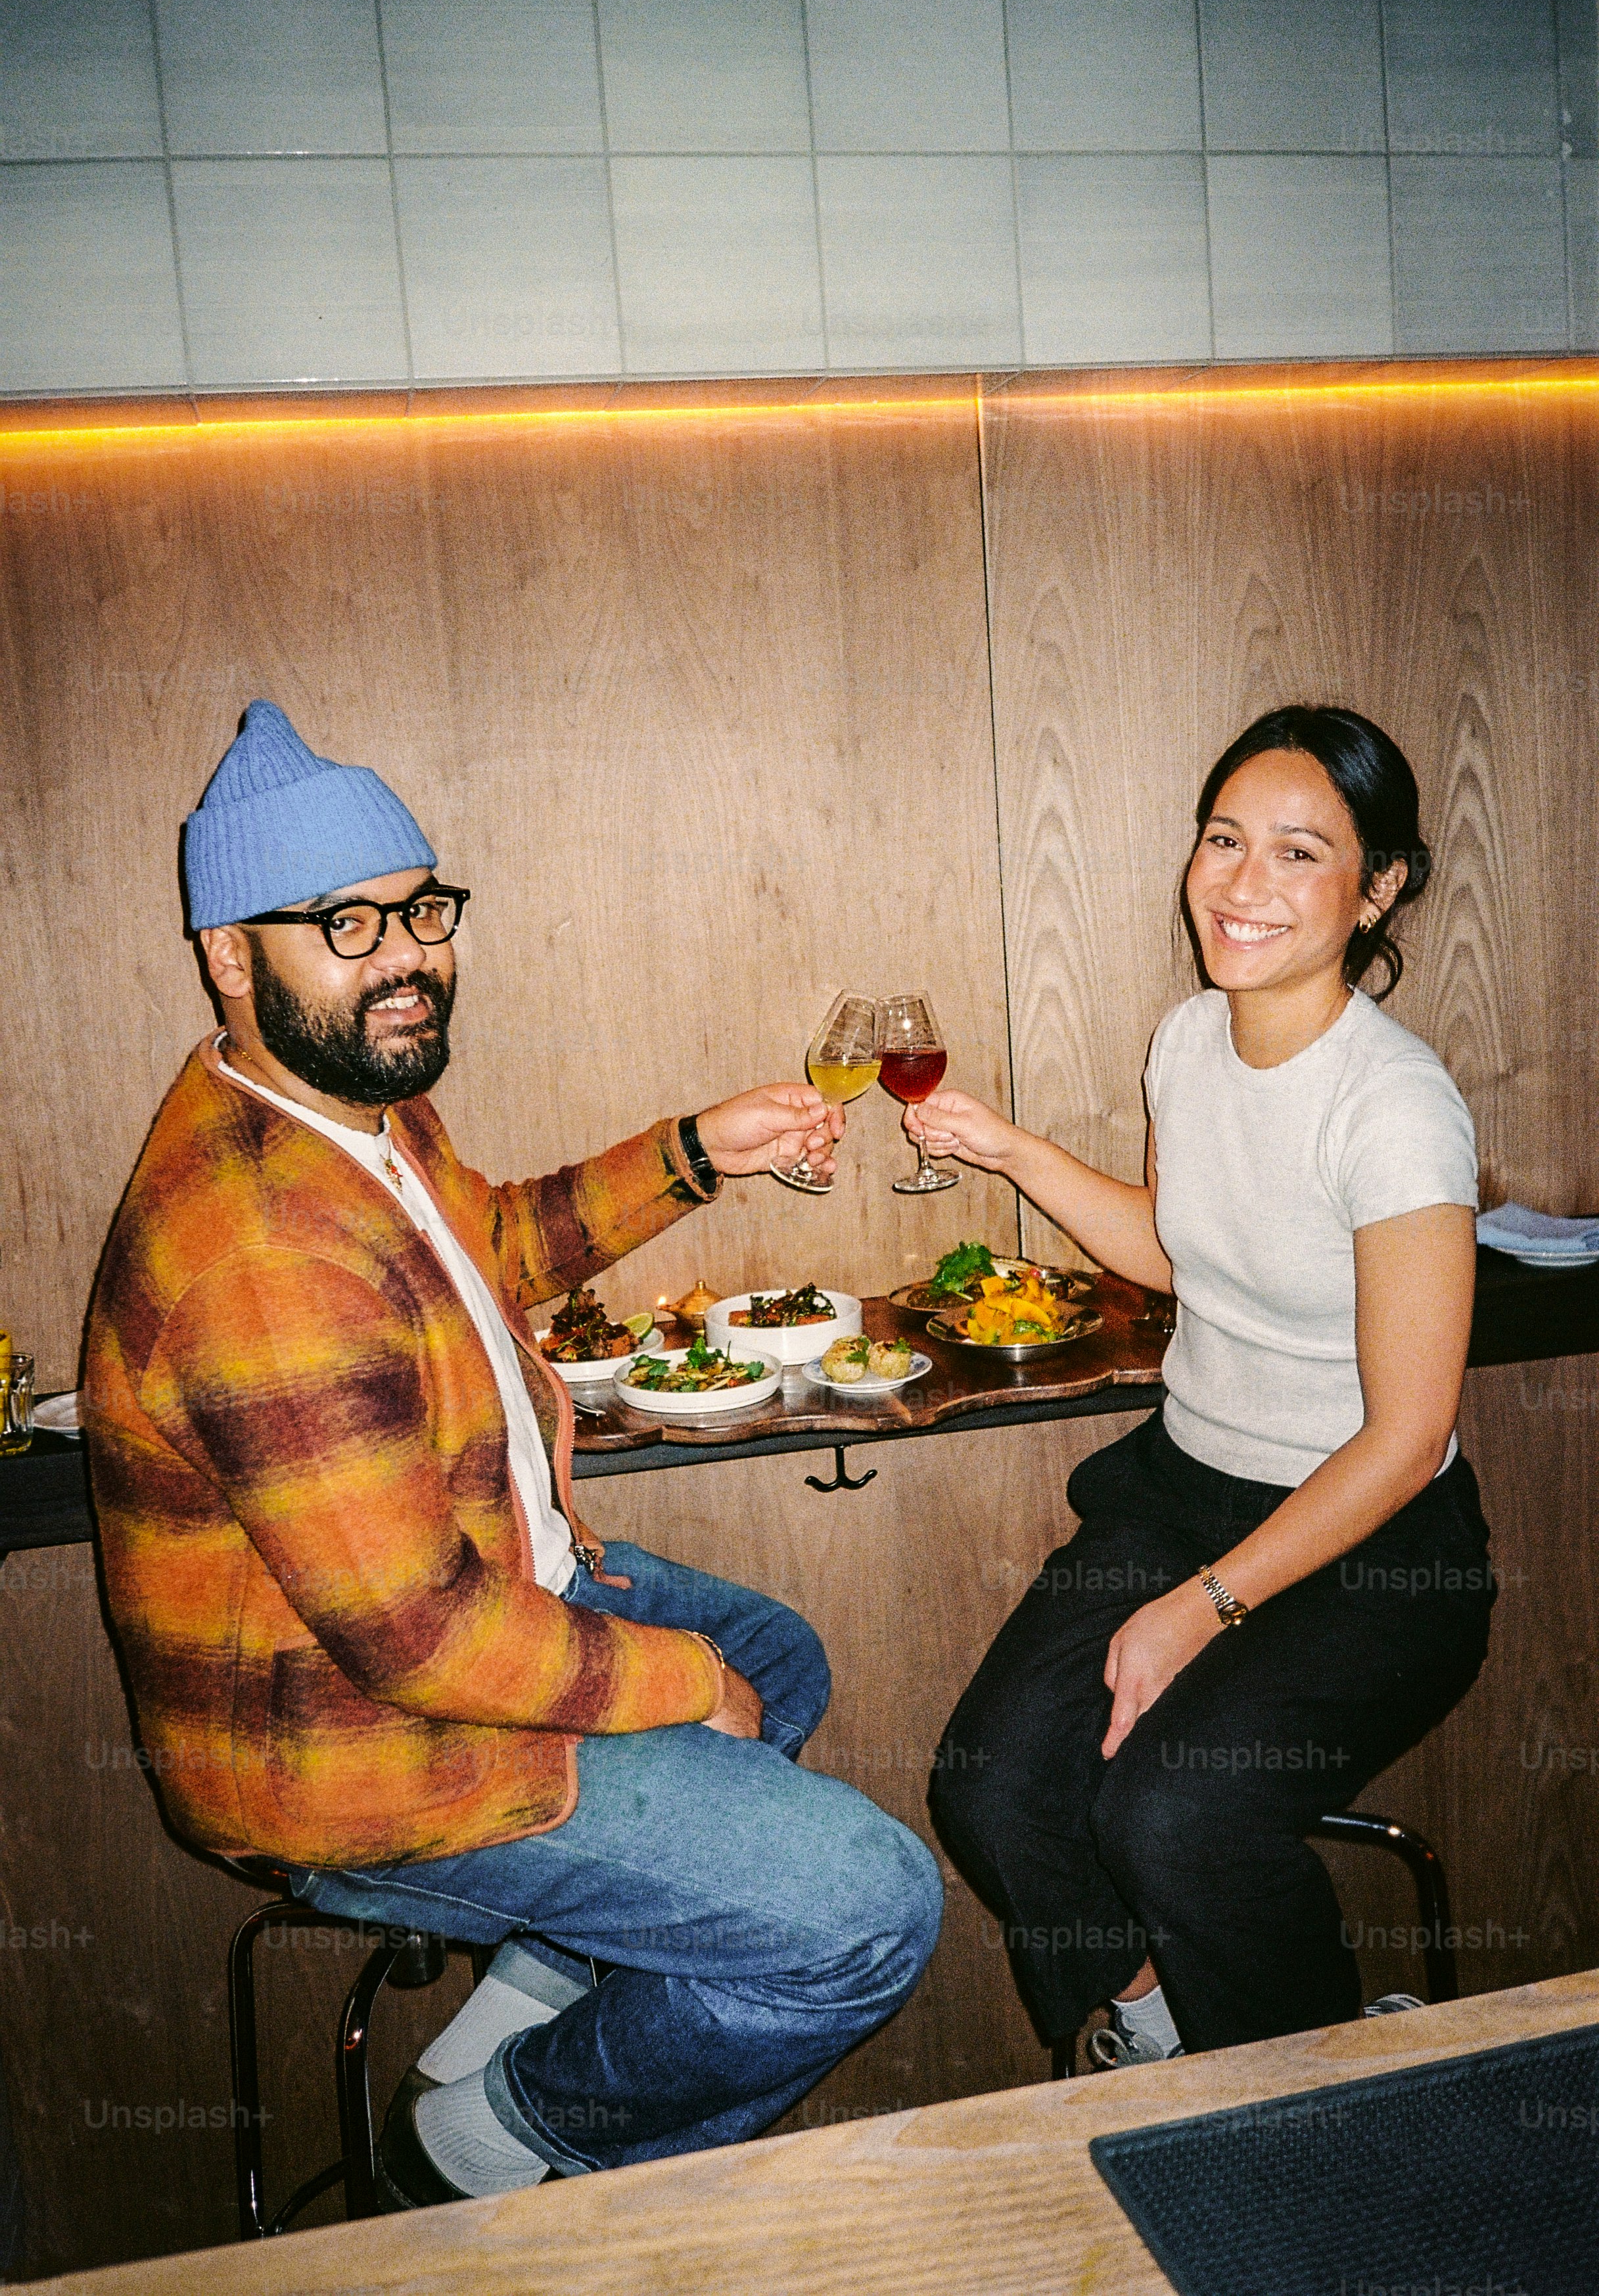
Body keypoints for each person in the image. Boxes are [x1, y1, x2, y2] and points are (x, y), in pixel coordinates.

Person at [84, 700, 941, 2205]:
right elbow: (420, 1639)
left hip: (467, 1607)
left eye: (421, 909)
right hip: (353, 1752)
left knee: (777, 1654)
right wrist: (684, 1684)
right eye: (344, 923)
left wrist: (694, 1151)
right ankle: (484, 2144)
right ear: (230, 952)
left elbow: (483, 1248)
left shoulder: (349, 1110)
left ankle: (511, 2023)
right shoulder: (257, 1252)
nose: (404, 955)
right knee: (867, 1909)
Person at [918, 706, 1491, 2068]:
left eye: (1298, 852)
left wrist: (1200, 1606)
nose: (1241, 884)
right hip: (1183, 1493)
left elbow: (1406, 1440)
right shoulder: (1188, 1039)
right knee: (990, 1787)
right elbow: (1177, 1251)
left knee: (1170, 1813)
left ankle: (1316, 2108)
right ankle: (1164, 2030)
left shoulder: (1393, 1105)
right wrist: (1004, 1148)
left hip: (1371, 1542)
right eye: (1223, 839)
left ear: (1379, 886)